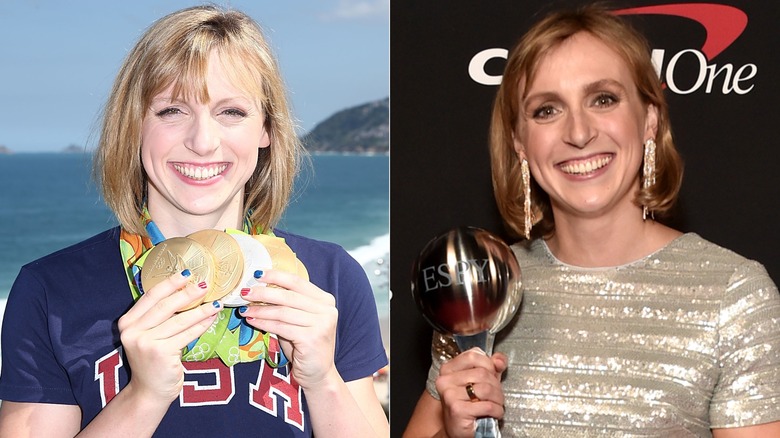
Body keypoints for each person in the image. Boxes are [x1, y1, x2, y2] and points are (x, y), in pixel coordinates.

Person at [0, 6, 388, 437]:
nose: (203, 142)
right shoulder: (50, 291)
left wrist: (323, 382)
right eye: (172, 111)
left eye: (232, 112)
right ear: (134, 126)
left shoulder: (329, 279)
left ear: (267, 130)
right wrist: (143, 396)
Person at [404, 5, 780, 437]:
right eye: (547, 110)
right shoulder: (484, 288)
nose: (579, 133)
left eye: (603, 99)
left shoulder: (733, 295)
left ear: (649, 120)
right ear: (519, 142)